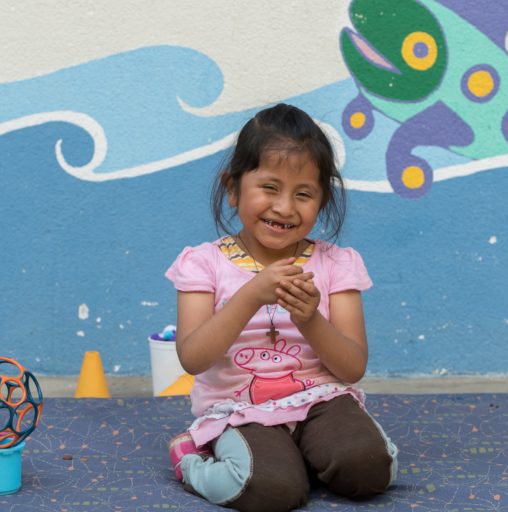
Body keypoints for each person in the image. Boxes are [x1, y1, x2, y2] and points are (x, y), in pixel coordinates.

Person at [165, 103, 397, 511]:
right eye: (270, 188)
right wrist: (251, 294)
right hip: (241, 409)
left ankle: (305, 452)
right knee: (273, 490)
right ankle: (191, 460)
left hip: (322, 401)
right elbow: (193, 357)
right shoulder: (203, 263)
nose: (285, 207)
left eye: (304, 194)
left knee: (369, 468)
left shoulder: (336, 264)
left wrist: (309, 319)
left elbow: (352, 367)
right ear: (233, 188)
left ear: (322, 202)